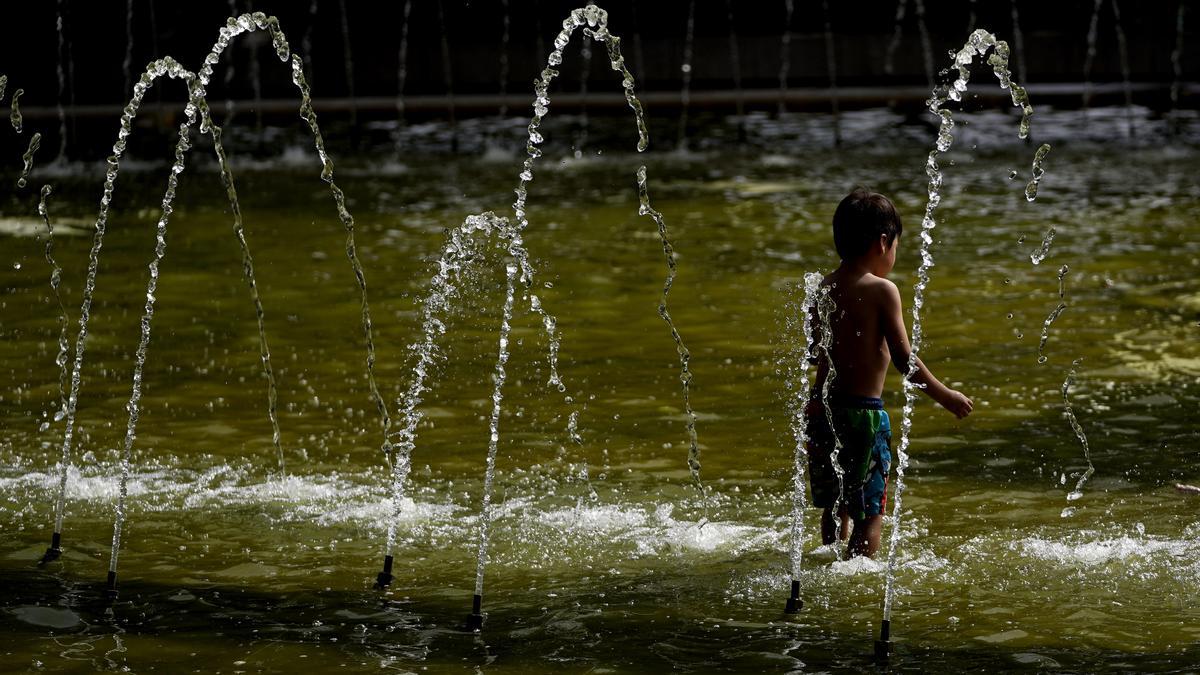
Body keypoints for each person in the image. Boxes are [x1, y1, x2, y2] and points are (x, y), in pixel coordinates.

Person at [807, 187, 973, 558]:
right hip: (864, 415)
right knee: (871, 512)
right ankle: (856, 574)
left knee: (835, 504)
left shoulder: (822, 288)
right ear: (884, 242)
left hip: (823, 411)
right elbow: (904, 361)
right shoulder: (883, 290)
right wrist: (945, 395)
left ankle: (829, 558)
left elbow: (815, 354)